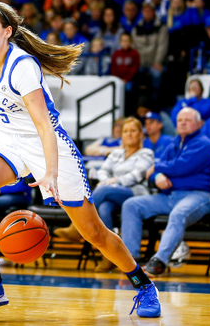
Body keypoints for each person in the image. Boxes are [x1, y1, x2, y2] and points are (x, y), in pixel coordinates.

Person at [0, 1, 161, 317]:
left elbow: (44, 126)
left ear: (8, 32)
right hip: (6, 137)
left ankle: (144, 284)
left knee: (92, 232)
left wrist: (49, 172)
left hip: (46, 143)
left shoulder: (22, 66)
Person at [122, 108, 210, 276]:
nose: (182, 122)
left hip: (199, 195)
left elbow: (180, 167)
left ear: (199, 123)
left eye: (187, 120)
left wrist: (157, 168)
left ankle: (159, 261)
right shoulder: (173, 144)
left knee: (178, 213)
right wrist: (158, 175)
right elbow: (152, 173)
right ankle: (130, 260)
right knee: (131, 205)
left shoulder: (204, 144)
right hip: (170, 196)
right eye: (180, 119)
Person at [54, 117, 154, 272]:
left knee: (102, 190)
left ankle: (76, 228)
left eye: (133, 131)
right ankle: (109, 258)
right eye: (126, 131)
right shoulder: (116, 154)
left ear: (141, 134)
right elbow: (102, 171)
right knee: (105, 208)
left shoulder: (146, 153)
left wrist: (115, 182)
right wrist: (108, 180)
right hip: (112, 194)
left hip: (135, 192)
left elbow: (137, 174)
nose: (129, 134)